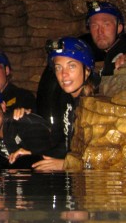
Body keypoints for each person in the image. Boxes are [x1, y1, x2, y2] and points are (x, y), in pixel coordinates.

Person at [33, 37, 96, 172]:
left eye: (71, 66)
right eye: (58, 68)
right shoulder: (67, 101)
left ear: (87, 70)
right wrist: (35, 155)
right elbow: (67, 145)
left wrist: (65, 165)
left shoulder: (97, 106)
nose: (63, 74)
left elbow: (104, 160)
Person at [80, 0, 126, 77]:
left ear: (119, 28)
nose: (100, 32)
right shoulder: (85, 45)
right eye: (94, 26)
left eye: (106, 25)